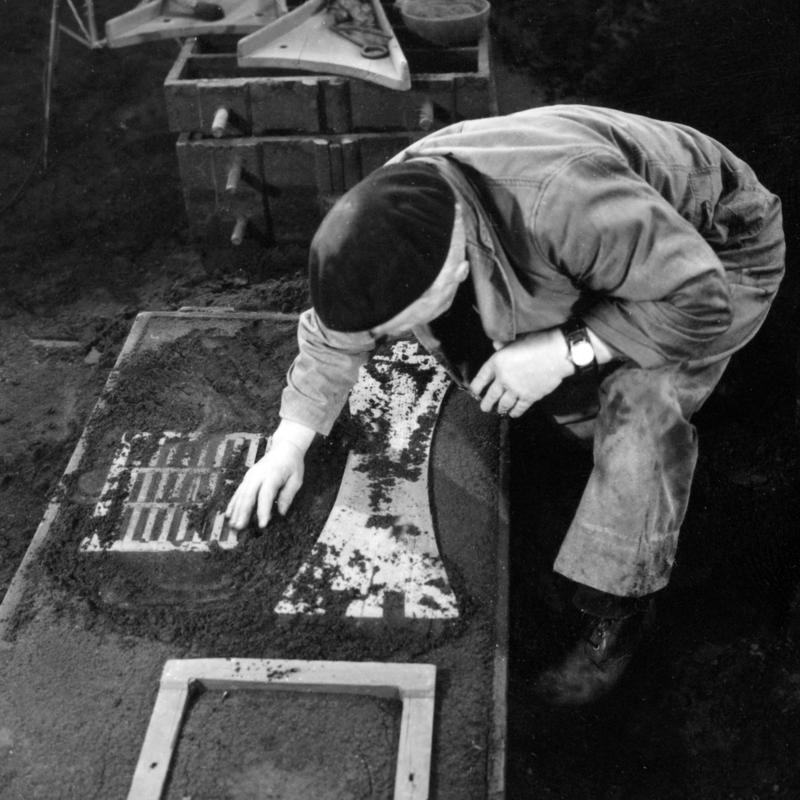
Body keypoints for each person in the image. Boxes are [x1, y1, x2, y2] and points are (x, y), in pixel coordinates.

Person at [225, 105, 785, 705]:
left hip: (715, 249)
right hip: (612, 243)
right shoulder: (392, 217)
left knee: (638, 404)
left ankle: (620, 606)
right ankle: (571, 443)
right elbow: (336, 335)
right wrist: (288, 446)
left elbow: (699, 300)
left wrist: (567, 349)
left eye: (395, 326)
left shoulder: (557, 203)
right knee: (524, 374)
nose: (380, 341)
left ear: (451, 271)